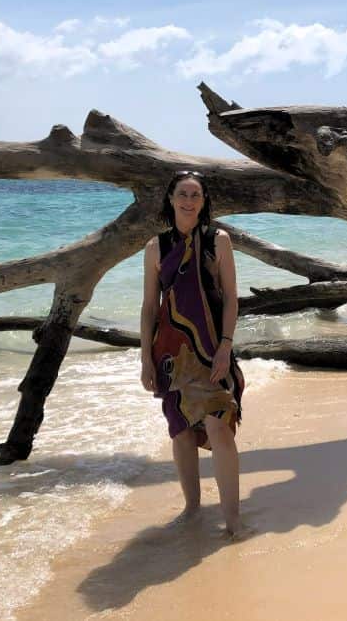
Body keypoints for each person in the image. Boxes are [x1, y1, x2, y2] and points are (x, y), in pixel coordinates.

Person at [140, 170, 247, 536]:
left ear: (204, 201)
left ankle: (232, 517)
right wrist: (145, 359)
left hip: (212, 347)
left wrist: (225, 348)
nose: (189, 200)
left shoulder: (219, 240)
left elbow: (232, 298)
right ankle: (192, 508)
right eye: (183, 194)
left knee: (220, 426)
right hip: (170, 351)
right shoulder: (156, 248)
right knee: (181, 429)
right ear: (170, 199)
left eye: (196, 195)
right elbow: (149, 309)